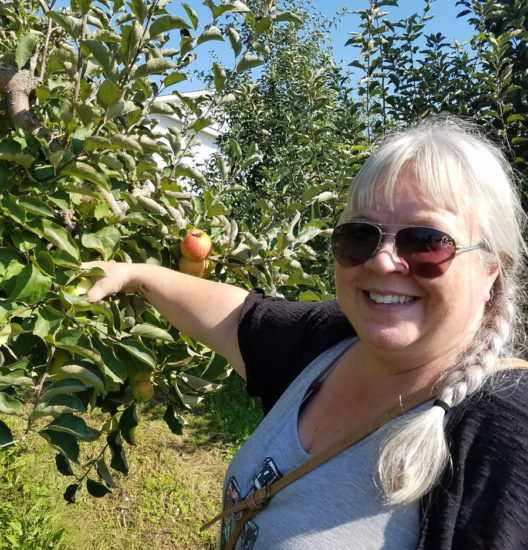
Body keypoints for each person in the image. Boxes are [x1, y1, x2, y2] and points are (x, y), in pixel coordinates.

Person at [85, 118, 528, 549]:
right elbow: (238, 313)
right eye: (360, 236)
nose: (381, 261)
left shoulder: (508, 432)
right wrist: (136, 273)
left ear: (493, 270)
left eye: (427, 240)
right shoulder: (333, 341)